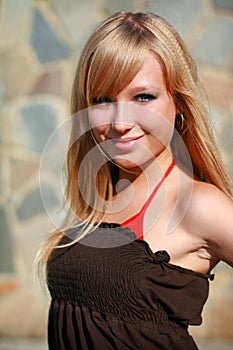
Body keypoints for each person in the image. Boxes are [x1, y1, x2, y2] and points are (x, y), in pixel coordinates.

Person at [38, 11, 233, 350]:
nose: (121, 121)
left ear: (179, 104)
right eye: (102, 100)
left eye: (143, 97)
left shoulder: (198, 204)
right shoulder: (103, 193)